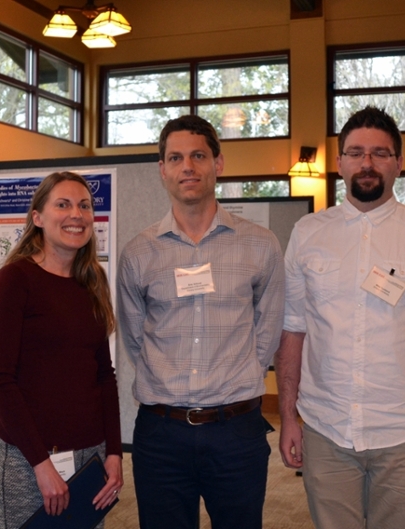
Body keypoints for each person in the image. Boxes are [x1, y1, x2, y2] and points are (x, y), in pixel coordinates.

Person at [276, 106, 405, 529]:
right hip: (325, 426)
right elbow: (293, 329)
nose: (366, 163)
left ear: (399, 164)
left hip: (404, 431)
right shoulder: (308, 234)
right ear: (340, 163)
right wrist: (288, 417)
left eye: (380, 153)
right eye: (355, 153)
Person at [117, 115, 285, 529]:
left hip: (236, 431)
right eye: (175, 158)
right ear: (162, 170)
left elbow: (268, 329)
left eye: (197, 156)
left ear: (218, 164)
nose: (187, 167)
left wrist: (238, 374)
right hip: (161, 433)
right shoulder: (138, 252)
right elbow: (135, 336)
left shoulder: (260, 244)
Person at [0, 171, 123, 529]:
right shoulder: (14, 281)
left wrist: (114, 452)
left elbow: (104, 376)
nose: (76, 214)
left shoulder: (91, 281)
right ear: (38, 218)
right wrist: (41, 465)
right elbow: (0, 381)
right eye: (62, 205)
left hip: (89, 455)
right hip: (29, 458)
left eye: (84, 205)